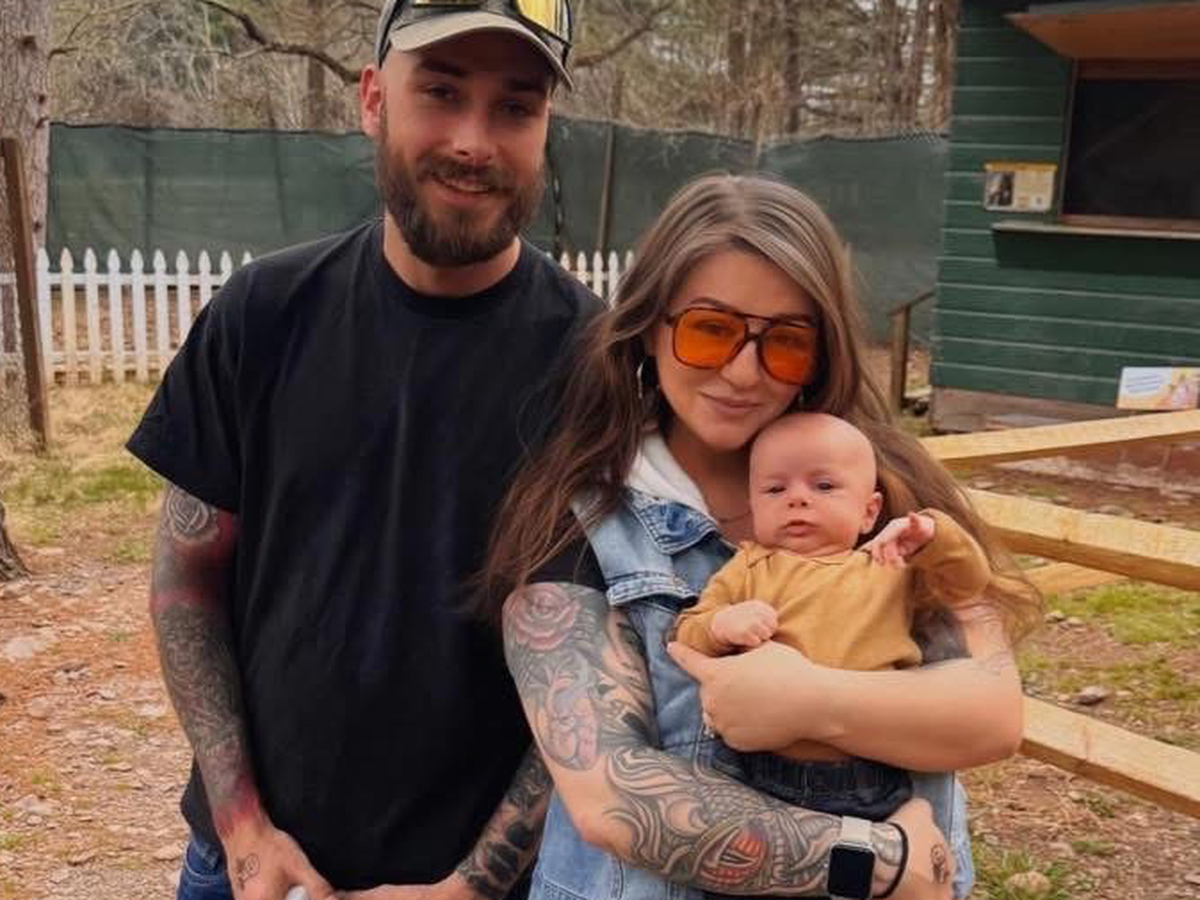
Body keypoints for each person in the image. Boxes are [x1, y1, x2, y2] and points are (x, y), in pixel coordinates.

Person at [127, 2, 595, 899]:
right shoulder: (263, 314)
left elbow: (603, 667)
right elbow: (187, 581)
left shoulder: (596, 366)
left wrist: (472, 885)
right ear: (374, 99)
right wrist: (243, 830)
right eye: (441, 93)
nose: (473, 141)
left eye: (515, 106)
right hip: (249, 871)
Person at [483, 174, 1041, 900]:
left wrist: (809, 702)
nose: (744, 372)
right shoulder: (583, 519)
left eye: (785, 341)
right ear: (650, 327)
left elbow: (991, 717)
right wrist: (881, 861)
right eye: (709, 329)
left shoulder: (896, 496)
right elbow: (611, 795)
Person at [674, 411, 993, 824]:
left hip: (868, 771)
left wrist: (933, 536)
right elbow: (688, 629)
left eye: (823, 486)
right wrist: (721, 624)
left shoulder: (888, 565)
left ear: (869, 511)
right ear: (753, 508)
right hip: (753, 770)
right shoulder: (748, 567)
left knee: (870, 857)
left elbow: (969, 581)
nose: (797, 498)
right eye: (775, 489)